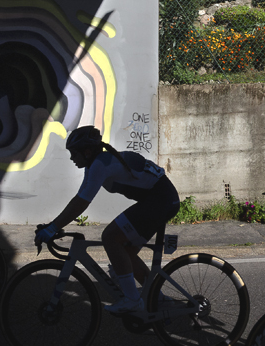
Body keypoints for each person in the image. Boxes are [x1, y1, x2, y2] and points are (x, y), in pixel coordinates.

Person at [34, 125, 180, 314]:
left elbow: (81, 203)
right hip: (161, 200)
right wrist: (53, 225)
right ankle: (157, 298)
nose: (71, 158)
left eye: (74, 153)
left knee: (110, 237)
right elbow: (79, 198)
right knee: (125, 251)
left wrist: (52, 228)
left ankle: (132, 299)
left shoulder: (100, 165)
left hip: (160, 200)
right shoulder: (96, 164)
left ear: (87, 152)